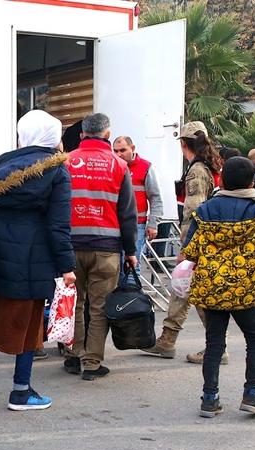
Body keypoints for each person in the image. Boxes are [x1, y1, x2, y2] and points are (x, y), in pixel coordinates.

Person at [0, 110, 77, 411]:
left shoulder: (2, 171)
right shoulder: (56, 172)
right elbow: (58, 226)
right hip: (34, 259)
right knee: (28, 323)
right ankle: (17, 391)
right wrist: (67, 266)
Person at [183, 156, 255, 418]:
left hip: (212, 288)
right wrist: (254, 253)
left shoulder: (205, 210)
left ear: (221, 179)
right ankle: (252, 394)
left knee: (214, 343)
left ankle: (210, 399)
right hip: (245, 289)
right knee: (254, 338)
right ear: (252, 181)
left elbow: (190, 250)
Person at [63, 113, 138, 380]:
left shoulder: (66, 162)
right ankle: (92, 362)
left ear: (82, 135)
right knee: (99, 307)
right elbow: (128, 213)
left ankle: (73, 355)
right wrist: (130, 251)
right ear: (107, 135)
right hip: (106, 247)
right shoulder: (119, 165)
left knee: (74, 304)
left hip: (69, 246)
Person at [140, 121, 222, 362]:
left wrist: (187, 248)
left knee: (193, 293)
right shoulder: (209, 166)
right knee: (182, 289)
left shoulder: (196, 169)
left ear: (183, 144)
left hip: (197, 241)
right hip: (206, 240)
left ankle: (217, 347)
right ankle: (167, 341)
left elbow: (194, 210)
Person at [113, 135, 164, 265]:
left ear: (133, 148)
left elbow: (155, 197)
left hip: (137, 225)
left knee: (132, 267)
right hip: (114, 224)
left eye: (123, 150)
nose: (119, 154)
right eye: (116, 151)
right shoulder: (112, 166)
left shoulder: (146, 167)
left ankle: (131, 286)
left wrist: (153, 224)